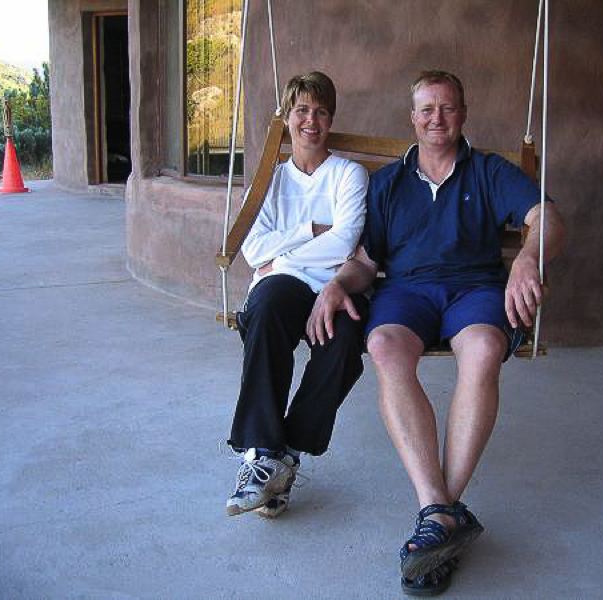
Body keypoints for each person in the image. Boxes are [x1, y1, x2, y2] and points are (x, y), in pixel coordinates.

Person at [306, 70, 565, 595]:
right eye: (426, 109)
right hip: (408, 292)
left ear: (462, 114)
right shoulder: (389, 183)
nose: (436, 118)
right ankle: (441, 511)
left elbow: (548, 217)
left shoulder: (488, 171)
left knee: (485, 348)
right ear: (413, 118)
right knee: (383, 346)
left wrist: (526, 259)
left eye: (447, 108)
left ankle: (435, 519)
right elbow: (366, 262)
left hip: (475, 290)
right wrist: (336, 284)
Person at [225, 71, 369, 519]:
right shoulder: (270, 180)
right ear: (287, 117)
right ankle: (265, 452)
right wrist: (311, 228)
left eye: (321, 112)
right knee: (266, 309)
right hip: (283, 285)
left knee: (345, 337)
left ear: (331, 119)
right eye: (302, 110)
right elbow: (253, 250)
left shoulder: (348, 175)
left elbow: (345, 242)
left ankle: (280, 457)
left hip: (334, 284)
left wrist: (282, 254)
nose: (311, 121)